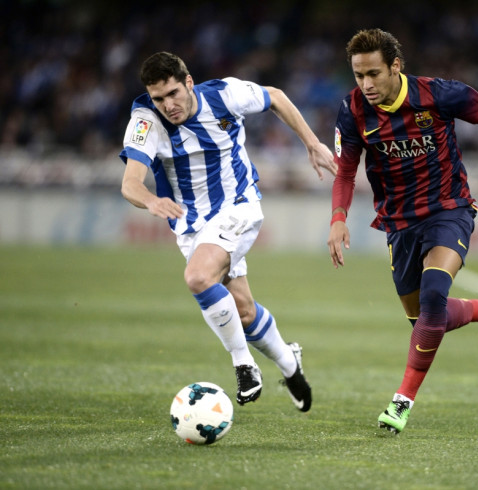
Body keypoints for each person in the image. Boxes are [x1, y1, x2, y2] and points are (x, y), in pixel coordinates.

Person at [120, 51, 337, 412]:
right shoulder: (146, 122)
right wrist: (150, 201)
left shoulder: (224, 95)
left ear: (188, 82)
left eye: (173, 93)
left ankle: (243, 364)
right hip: (191, 225)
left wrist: (311, 143)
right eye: (159, 98)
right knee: (244, 312)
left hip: (238, 206)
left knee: (198, 277)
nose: (168, 105)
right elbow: (130, 184)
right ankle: (290, 365)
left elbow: (277, 98)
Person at [327, 29, 478, 434]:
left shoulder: (438, 94)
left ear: (396, 66)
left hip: (449, 209)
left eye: (374, 73)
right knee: (424, 320)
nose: (367, 84)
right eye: (359, 75)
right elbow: (345, 169)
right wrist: (338, 217)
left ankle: (401, 403)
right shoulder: (352, 110)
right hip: (399, 223)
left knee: (434, 298)